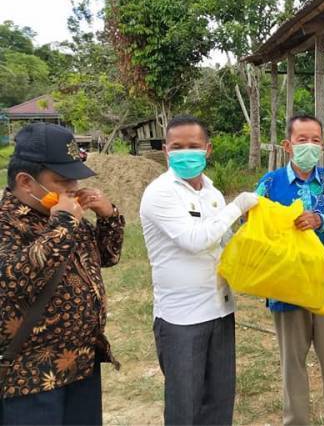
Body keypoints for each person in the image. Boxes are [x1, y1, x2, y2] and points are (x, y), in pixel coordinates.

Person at [0, 123, 124, 424]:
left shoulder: (64, 216)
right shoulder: (8, 222)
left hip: (81, 363)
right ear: (26, 182)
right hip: (30, 378)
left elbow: (105, 257)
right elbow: (13, 282)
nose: (73, 188)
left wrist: (109, 218)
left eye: (76, 179)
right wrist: (64, 225)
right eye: (62, 180)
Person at [140, 115, 259, 425]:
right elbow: (194, 240)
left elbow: (224, 244)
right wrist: (239, 206)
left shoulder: (212, 193)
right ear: (165, 151)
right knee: (185, 406)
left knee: (219, 401)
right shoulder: (160, 193)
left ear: (208, 149)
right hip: (181, 319)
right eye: (177, 146)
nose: (185, 152)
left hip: (219, 310)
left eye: (193, 145)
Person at [255, 114, 324, 426]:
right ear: (288, 145)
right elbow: (254, 229)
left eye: (315, 140)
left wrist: (321, 220)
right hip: (287, 288)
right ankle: (295, 421)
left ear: (322, 144)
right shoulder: (270, 184)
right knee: (292, 365)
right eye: (302, 139)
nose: (309, 146)